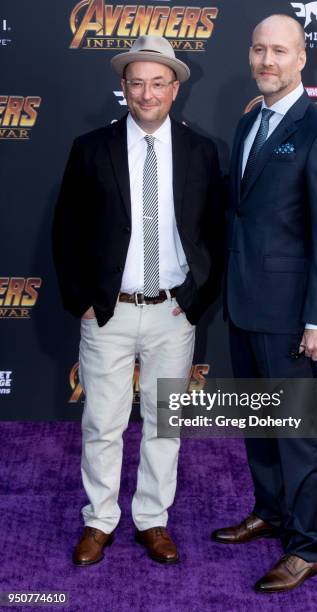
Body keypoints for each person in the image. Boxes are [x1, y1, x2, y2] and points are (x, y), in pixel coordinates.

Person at [52, 35, 223, 566]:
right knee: (102, 422)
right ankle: (99, 520)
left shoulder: (201, 150)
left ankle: (152, 519)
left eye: (158, 83)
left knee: (163, 423)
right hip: (108, 312)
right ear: (123, 88)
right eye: (136, 83)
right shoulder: (90, 148)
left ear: (175, 88)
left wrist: (197, 301)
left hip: (175, 313)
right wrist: (82, 299)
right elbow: (66, 231)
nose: (147, 94)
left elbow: (216, 234)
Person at [212, 15, 317, 592]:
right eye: (259, 49)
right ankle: (270, 512)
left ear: (302, 59)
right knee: (259, 423)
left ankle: (306, 546)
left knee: (296, 432)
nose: (267, 60)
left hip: (293, 315)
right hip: (244, 304)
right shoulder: (251, 122)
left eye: (279, 51)